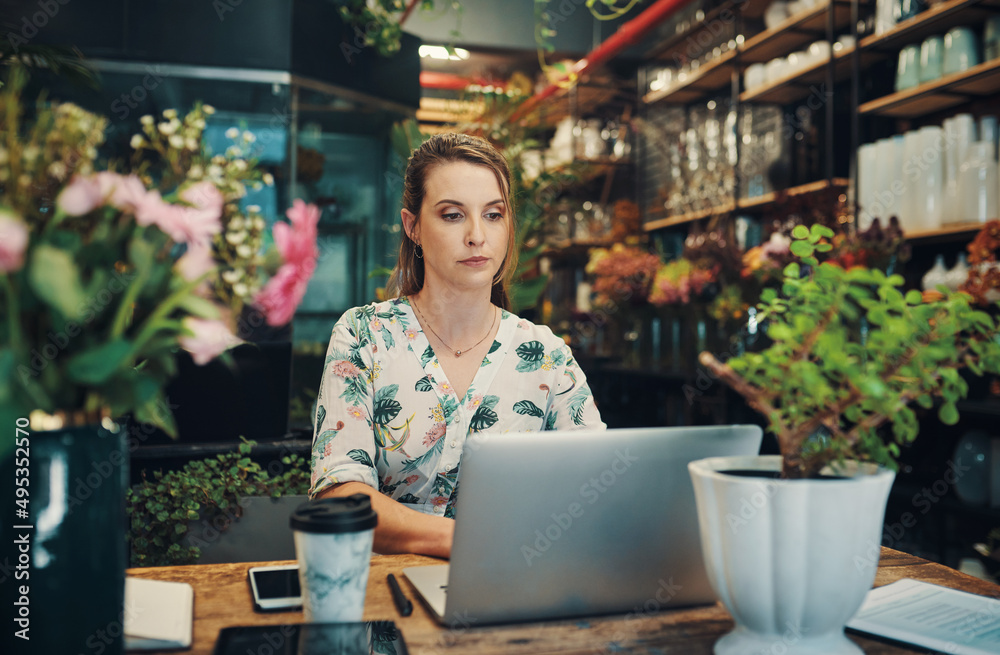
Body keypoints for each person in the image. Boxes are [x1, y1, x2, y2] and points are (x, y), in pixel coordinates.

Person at [309, 133, 605, 559]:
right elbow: (340, 496)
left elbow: (595, 492)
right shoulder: (364, 336)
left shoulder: (547, 356)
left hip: (513, 601)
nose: (476, 236)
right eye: (452, 215)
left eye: (493, 215)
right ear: (412, 227)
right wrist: (475, 543)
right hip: (387, 606)